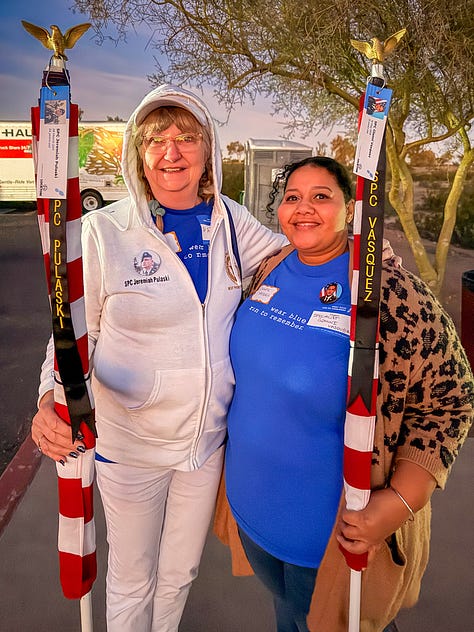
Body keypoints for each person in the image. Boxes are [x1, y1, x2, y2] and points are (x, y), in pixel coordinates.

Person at [30, 84, 287, 632]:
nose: (172, 151)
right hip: (131, 445)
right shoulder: (103, 232)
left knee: (180, 573)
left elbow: (292, 256)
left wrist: (352, 250)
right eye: (157, 140)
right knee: (131, 576)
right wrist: (51, 398)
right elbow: (72, 333)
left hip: (204, 444)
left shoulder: (232, 222)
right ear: (138, 156)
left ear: (208, 150)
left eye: (187, 137)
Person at [214, 156, 473, 632]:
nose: (304, 208)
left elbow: (451, 397)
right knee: (289, 616)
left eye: (321, 196)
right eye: (292, 197)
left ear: (350, 208)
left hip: (334, 536)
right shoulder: (269, 268)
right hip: (255, 510)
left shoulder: (389, 292)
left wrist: (400, 500)